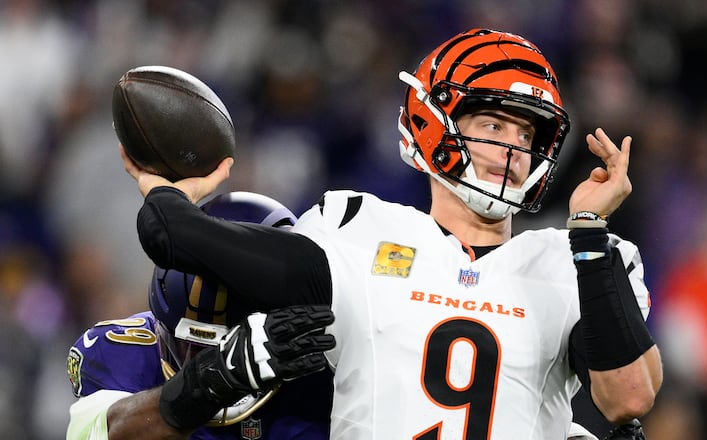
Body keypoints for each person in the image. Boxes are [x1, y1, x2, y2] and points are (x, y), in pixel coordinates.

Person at [122, 28, 662, 438]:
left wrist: (589, 231)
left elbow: (628, 398)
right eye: (493, 126)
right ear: (434, 122)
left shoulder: (574, 257)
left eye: (526, 133)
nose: (513, 150)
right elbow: (180, 240)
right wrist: (170, 193)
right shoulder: (356, 233)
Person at [66, 191, 336, 439]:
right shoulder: (124, 352)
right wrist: (206, 382)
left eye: (225, 349)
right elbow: (95, 435)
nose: (199, 358)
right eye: (188, 348)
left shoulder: (332, 362)